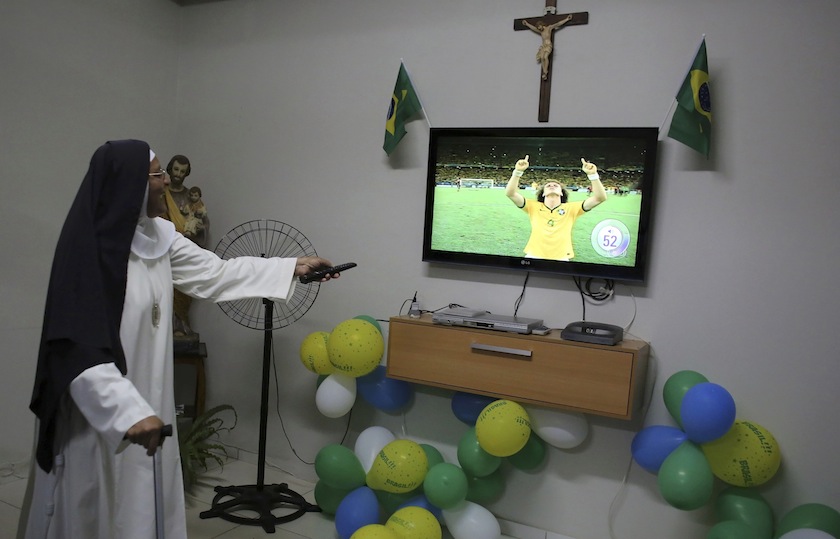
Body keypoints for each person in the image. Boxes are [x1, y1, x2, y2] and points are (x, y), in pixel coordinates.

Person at [18, 139, 339, 539]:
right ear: (130, 186)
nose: (167, 180)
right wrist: (126, 411)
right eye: (156, 174)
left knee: (143, 505)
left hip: (149, 405)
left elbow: (216, 274)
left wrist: (291, 267)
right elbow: (75, 351)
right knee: (101, 513)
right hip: (100, 418)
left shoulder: (159, 237)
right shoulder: (92, 255)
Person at [505, 155, 607, 261]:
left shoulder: (572, 208)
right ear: (543, 193)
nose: (552, 186)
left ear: (561, 193)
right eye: (548, 186)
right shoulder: (533, 207)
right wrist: (517, 172)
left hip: (561, 258)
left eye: (556, 185)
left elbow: (599, 198)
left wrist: (593, 175)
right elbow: (510, 193)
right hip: (534, 255)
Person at [522, 14, 573, 80]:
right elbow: (533, 28)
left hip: (548, 45)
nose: (539, 29)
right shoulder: (541, 32)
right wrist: (527, 24)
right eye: (538, 28)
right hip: (543, 47)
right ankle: (544, 72)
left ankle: (545, 72)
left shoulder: (549, 28)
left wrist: (567, 19)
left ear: (541, 24)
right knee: (542, 57)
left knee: (545, 57)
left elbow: (558, 24)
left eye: (539, 27)